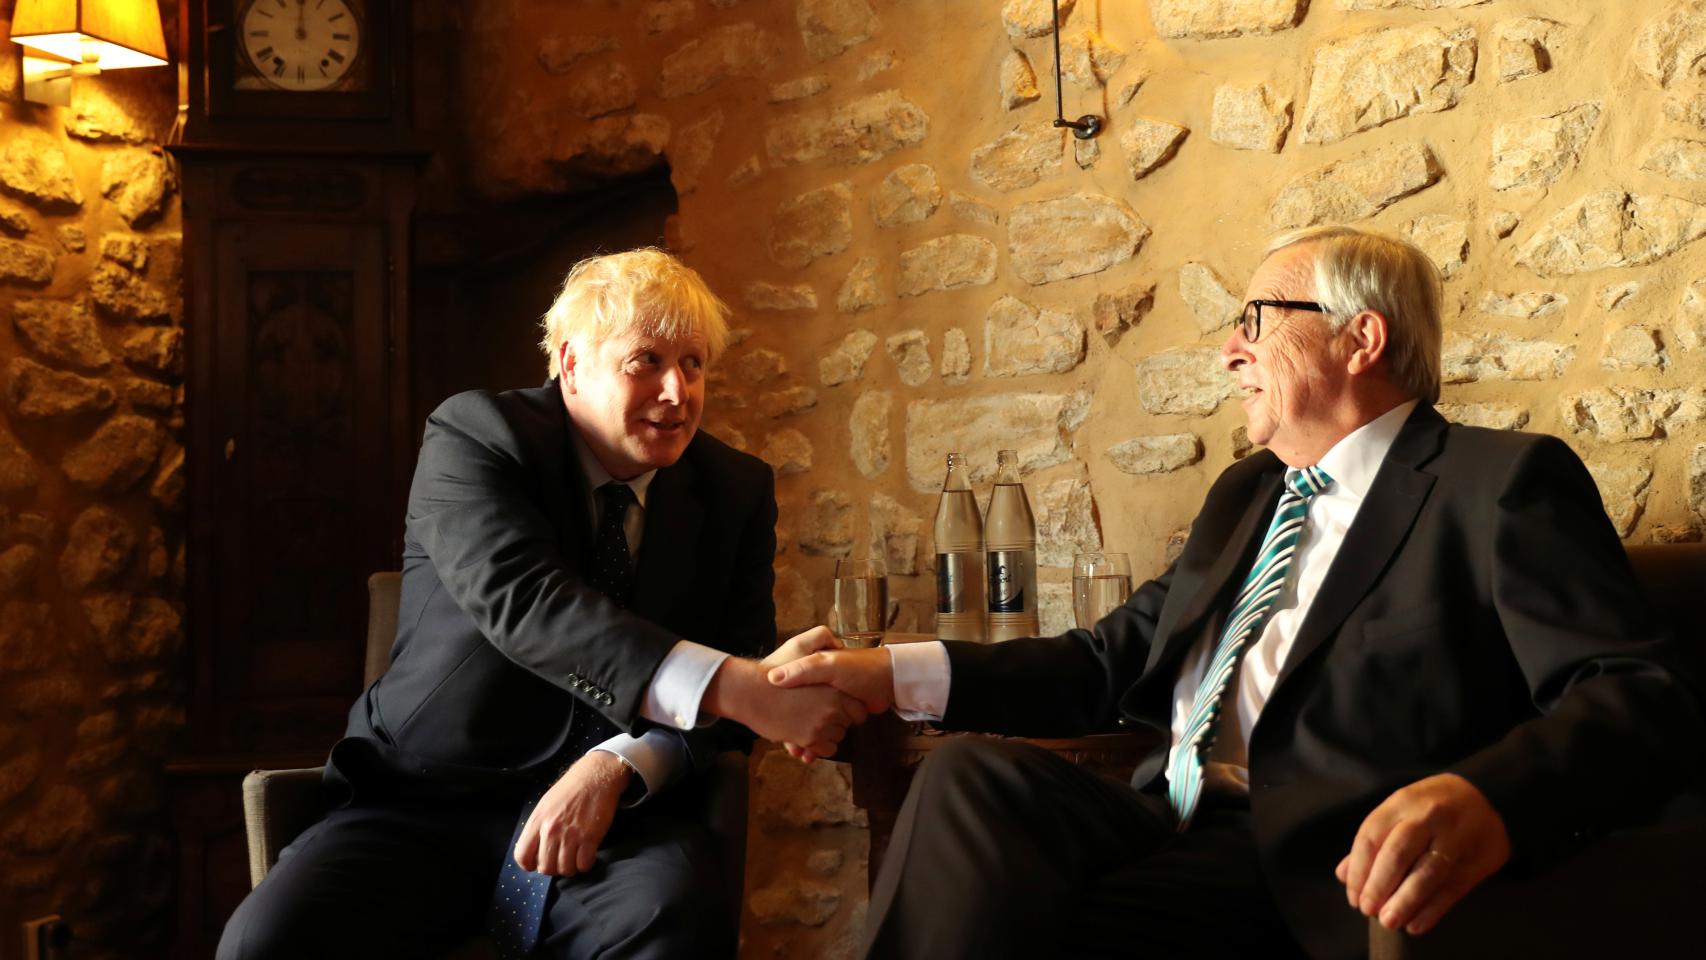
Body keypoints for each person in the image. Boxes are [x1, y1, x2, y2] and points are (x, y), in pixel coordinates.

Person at [769, 226, 1705, 960]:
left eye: (1255, 320)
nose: (1229, 351)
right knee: (967, 777)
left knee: (1008, 926)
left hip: (1306, 856)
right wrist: (886, 671)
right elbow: (1109, 660)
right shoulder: (1247, 495)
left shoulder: (1497, 483)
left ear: (1359, 336)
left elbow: (1636, 692)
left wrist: (1484, 796)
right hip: (1153, 818)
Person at [219, 248, 864, 959]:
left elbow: (730, 714)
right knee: (265, 941)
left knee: (671, 924)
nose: (677, 392)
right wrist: (737, 684)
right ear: (571, 363)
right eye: (645, 361)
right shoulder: (474, 437)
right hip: (426, 801)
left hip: (621, 820)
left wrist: (619, 765)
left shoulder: (735, 490)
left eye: (694, 364)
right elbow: (526, 602)